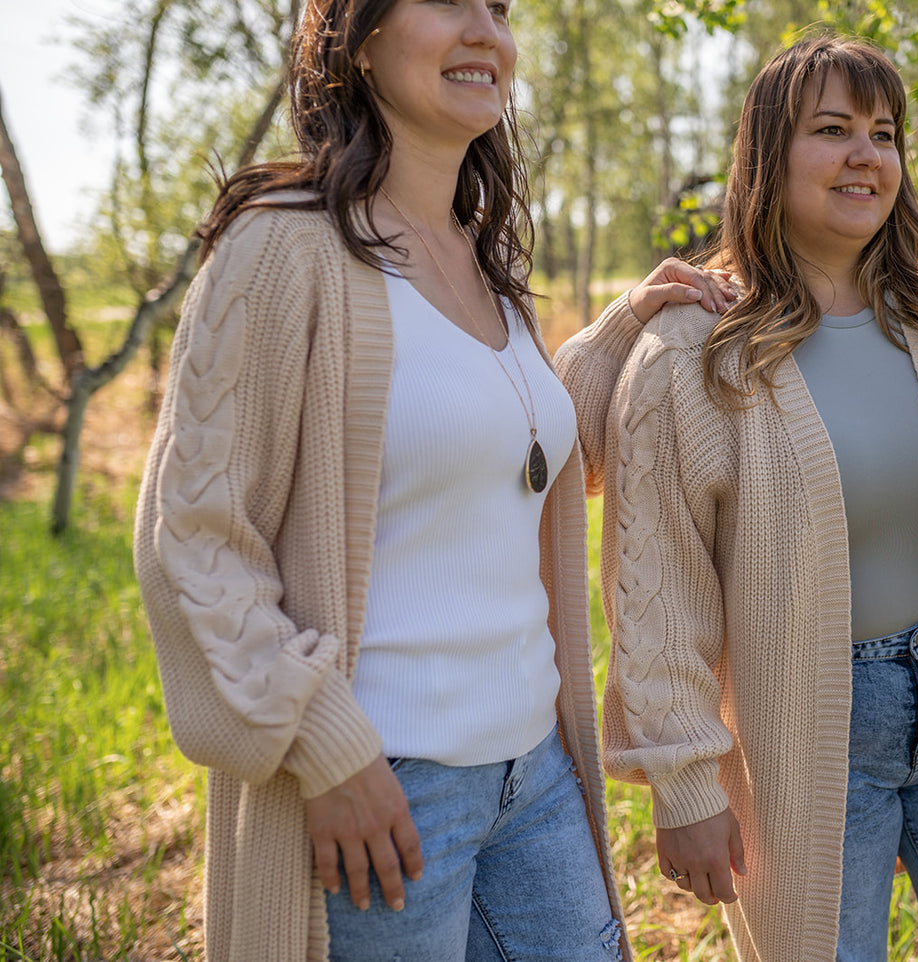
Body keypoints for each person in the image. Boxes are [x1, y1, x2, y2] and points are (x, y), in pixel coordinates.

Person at [132, 1, 730, 959]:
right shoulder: (282, 247)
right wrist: (324, 744)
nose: (484, 30)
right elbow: (192, 534)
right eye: (448, 1)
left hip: (534, 773)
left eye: (498, 8)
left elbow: (508, 455)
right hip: (383, 786)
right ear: (358, 39)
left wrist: (623, 324)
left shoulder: (482, 256)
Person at [556, 35, 918, 962]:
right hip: (803, 732)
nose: (865, 156)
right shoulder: (694, 348)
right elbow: (656, 591)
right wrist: (686, 787)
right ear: (767, 157)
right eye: (832, 130)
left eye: (883, 134)